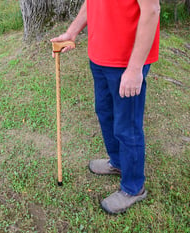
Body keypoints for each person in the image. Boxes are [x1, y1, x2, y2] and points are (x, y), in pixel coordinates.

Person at [51, 0, 160, 214]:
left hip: (126, 62)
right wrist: (72, 32)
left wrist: (135, 68)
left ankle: (133, 187)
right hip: (100, 56)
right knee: (105, 113)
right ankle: (118, 162)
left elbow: (152, 10)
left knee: (127, 126)